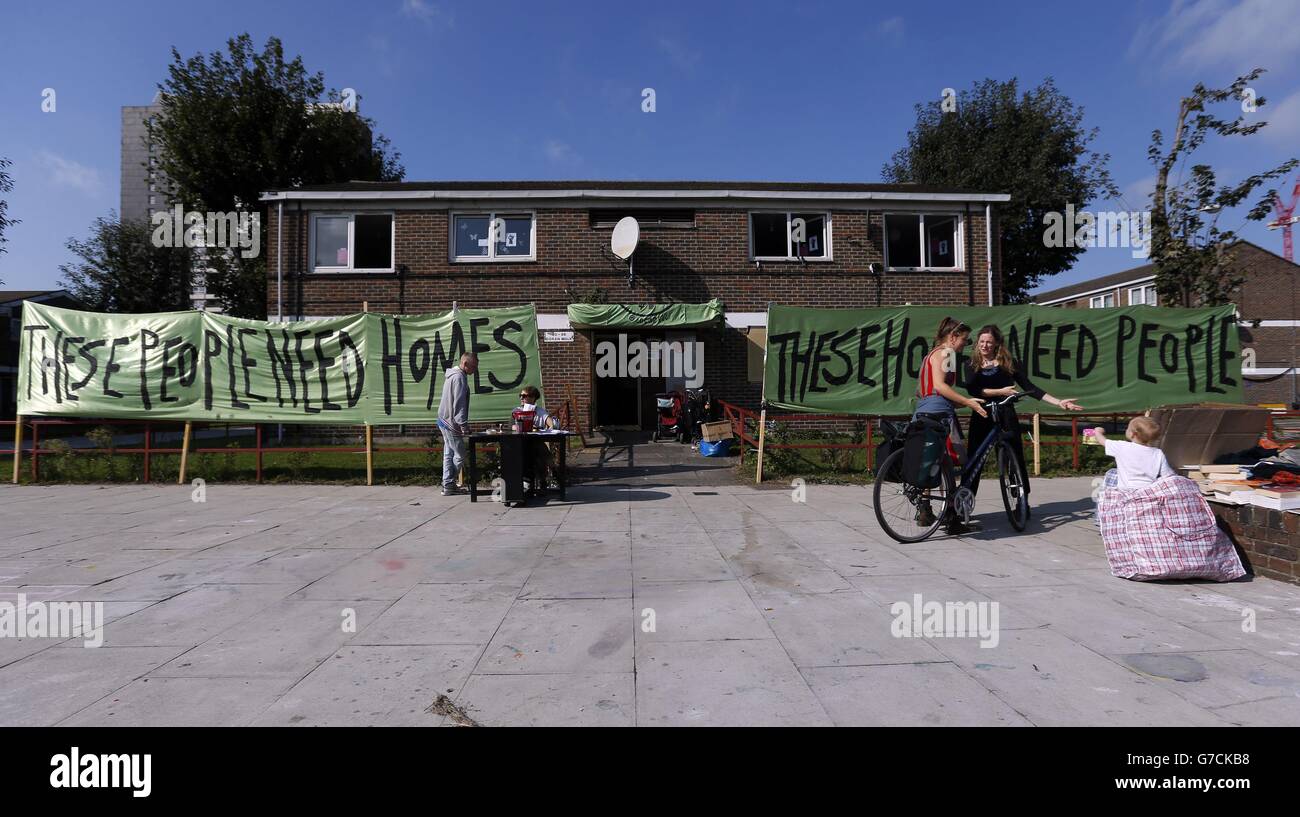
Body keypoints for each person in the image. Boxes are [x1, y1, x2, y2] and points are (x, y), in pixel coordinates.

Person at [963, 325, 1082, 508]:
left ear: (996, 344)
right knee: (975, 458)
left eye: (989, 342)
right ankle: (964, 501)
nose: (985, 345)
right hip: (982, 413)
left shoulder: (1009, 363)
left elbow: (1029, 387)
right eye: (981, 342)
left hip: (1005, 413)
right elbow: (973, 390)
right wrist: (1000, 391)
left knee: (1015, 456)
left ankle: (1021, 499)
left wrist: (1058, 402)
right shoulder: (971, 364)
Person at [913, 317, 987, 534]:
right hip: (939, 414)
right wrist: (966, 401)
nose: (965, 344)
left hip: (923, 410)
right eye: (964, 339)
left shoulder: (930, 355)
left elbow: (925, 389)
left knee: (933, 459)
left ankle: (925, 509)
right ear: (953, 337)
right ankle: (951, 515)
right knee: (952, 459)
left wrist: (962, 403)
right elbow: (941, 386)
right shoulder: (948, 354)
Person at [1091, 416, 1176, 490]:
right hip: (1148, 492)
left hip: (1125, 492)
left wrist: (1098, 431)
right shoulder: (1157, 453)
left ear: (1133, 434)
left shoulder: (1122, 447)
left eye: (1128, 428)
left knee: (1111, 474)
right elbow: (1167, 475)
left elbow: (1103, 441)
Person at [437, 353, 478, 497]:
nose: (474, 370)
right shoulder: (459, 377)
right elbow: (459, 403)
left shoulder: (452, 375)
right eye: (473, 366)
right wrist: (463, 425)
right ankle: (448, 483)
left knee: (449, 453)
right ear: (465, 363)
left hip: (444, 420)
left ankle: (448, 484)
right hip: (451, 423)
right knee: (460, 454)